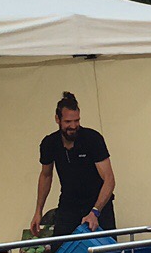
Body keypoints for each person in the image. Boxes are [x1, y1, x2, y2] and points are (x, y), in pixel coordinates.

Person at [33, 92, 115, 240]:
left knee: (105, 249)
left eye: (77, 121)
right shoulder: (49, 143)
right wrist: (38, 211)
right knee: (60, 247)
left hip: (98, 204)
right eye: (68, 122)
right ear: (57, 119)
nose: (73, 126)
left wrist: (95, 211)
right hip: (69, 205)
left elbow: (109, 179)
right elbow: (46, 175)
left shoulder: (93, 139)